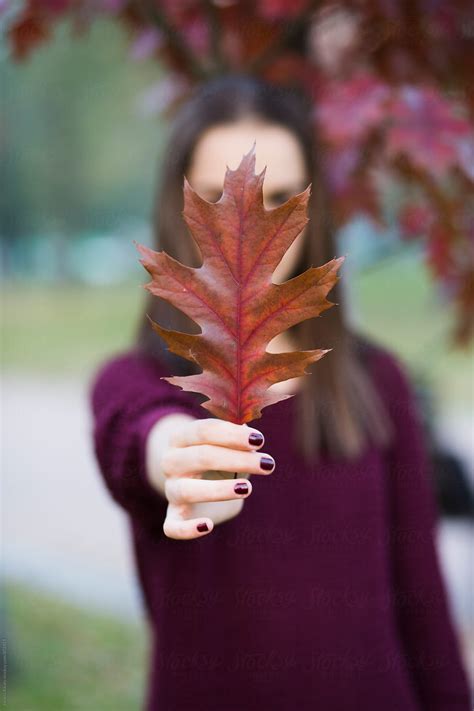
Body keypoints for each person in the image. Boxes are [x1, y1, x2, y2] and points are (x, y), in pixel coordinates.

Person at [88, 76, 471, 710]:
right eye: (217, 198)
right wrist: (175, 456)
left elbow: (423, 609)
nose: (255, 234)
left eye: (281, 197)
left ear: (312, 209)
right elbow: (136, 434)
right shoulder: (134, 385)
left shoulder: (377, 385)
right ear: (176, 209)